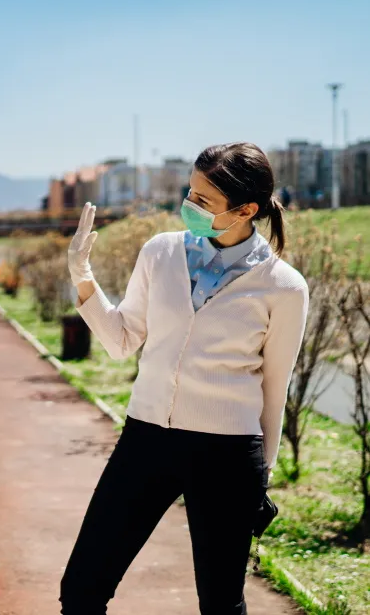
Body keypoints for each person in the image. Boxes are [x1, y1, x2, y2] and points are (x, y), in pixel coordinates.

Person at [61, 142, 309, 614]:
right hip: (146, 439)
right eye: (189, 194)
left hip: (228, 454)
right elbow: (121, 341)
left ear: (246, 210)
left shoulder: (283, 287)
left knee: (220, 603)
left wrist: (263, 475)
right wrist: (83, 275)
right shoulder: (160, 252)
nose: (189, 207)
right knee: (82, 587)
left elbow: (274, 390)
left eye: (203, 201)